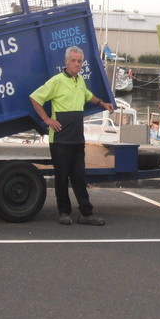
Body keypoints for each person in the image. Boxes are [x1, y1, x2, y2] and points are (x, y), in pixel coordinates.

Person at [30, 46, 113, 226]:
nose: (76, 64)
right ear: (66, 62)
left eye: (79, 61)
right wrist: (46, 119)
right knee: (61, 177)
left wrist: (101, 103)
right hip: (60, 138)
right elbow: (35, 98)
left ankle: (86, 214)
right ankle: (64, 212)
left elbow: (87, 95)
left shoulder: (80, 80)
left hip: (77, 138)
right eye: (73, 61)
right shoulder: (57, 81)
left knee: (79, 177)